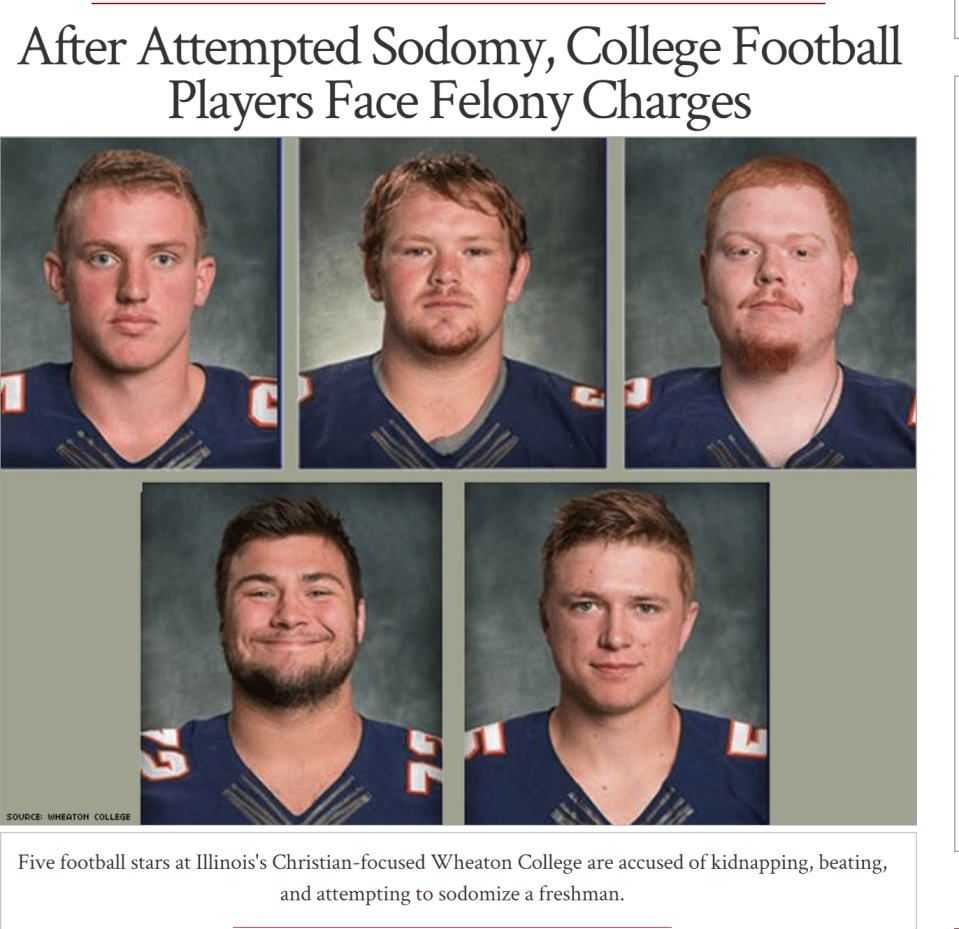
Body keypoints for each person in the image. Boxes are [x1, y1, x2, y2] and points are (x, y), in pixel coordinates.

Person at [465, 488, 767, 825]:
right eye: (586, 606)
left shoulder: (765, 774)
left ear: (685, 624)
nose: (615, 637)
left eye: (645, 608)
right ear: (546, 618)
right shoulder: (468, 775)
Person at [141, 497, 441, 825]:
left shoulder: (447, 780)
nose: (290, 616)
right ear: (223, 622)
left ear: (359, 619)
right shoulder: (139, 780)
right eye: (260, 593)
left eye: (318, 592)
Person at [299, 152, 605, 468]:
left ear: (516, 276)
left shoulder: (596, 430)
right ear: (373, 274)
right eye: (417, 251)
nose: (446, 274)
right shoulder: (297, 420)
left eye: (474, 251)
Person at [626, 155, 915, 469]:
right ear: (705, 277)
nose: (771, 271)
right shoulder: (627, 426)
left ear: (846, 278)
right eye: (743, 251)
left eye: (801, 252)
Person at [1, 149, 278, 468]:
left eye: (163, 259)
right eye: (103, 258)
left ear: (201, 282)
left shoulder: (280, 429)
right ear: (59, 278)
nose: (134, 290)